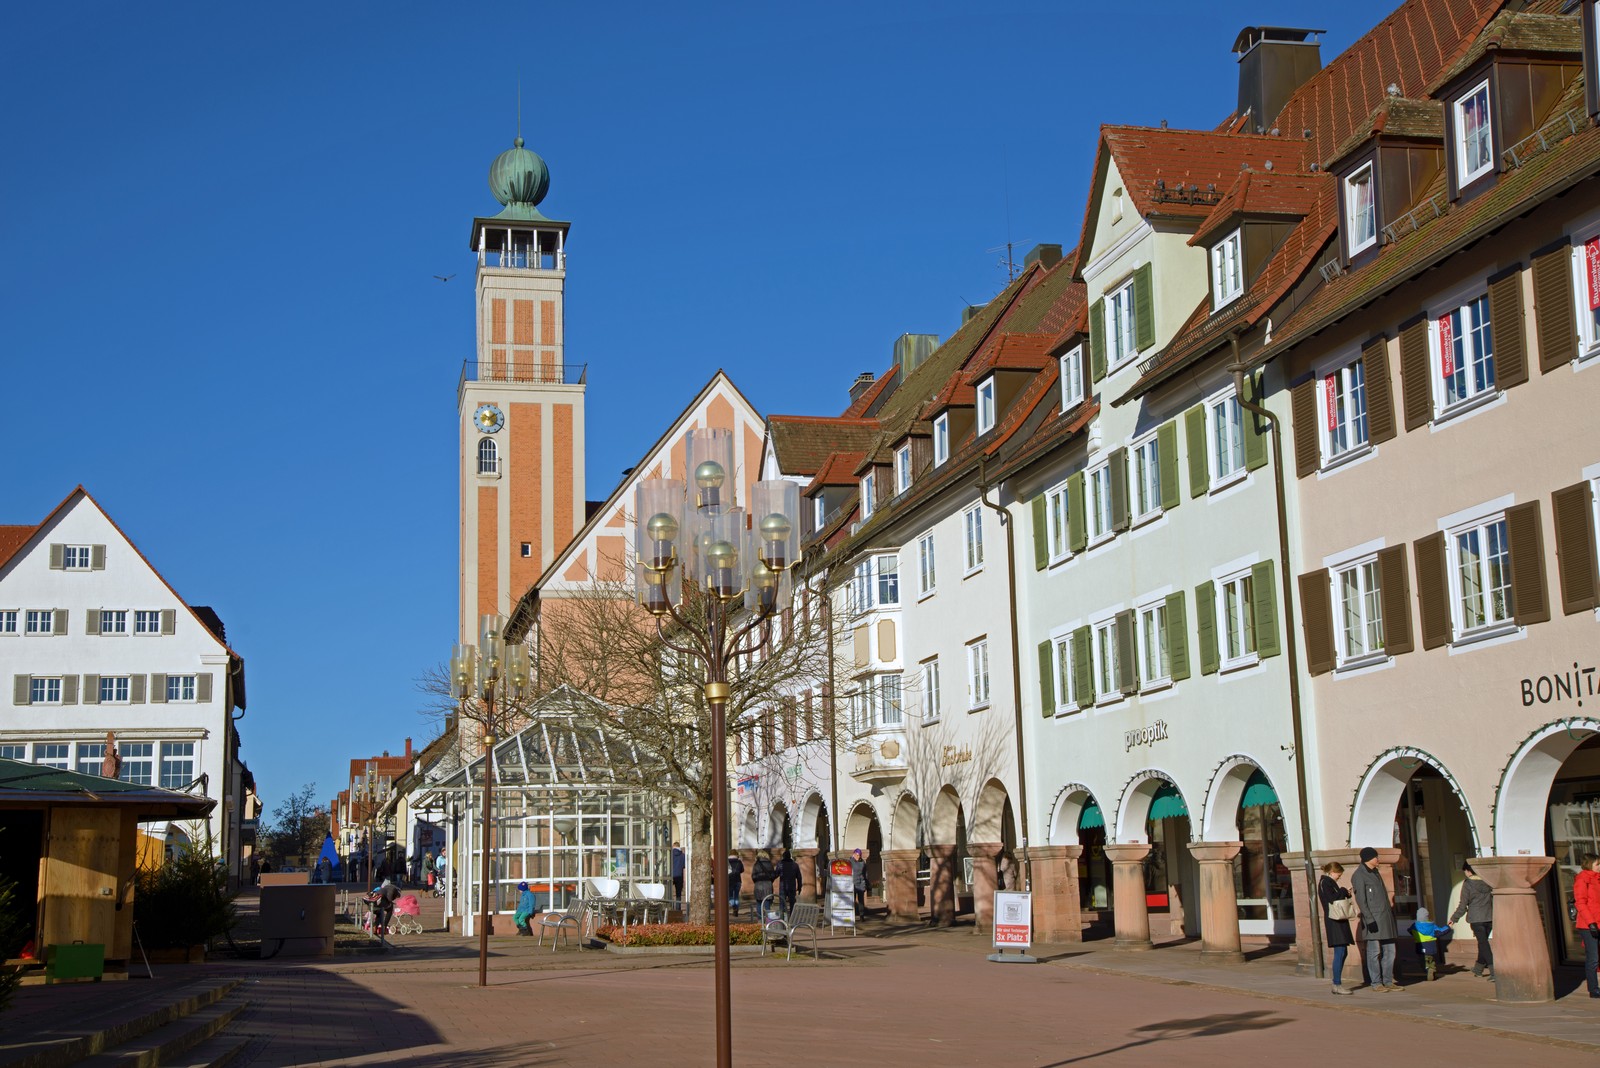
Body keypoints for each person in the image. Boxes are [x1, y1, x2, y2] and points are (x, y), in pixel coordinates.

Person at [1352, 846, 1400, 991]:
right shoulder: (1359, 875)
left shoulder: (1375, 872)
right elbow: (1361, 899)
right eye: (1375, 857)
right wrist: (1369, 919)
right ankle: (1376, 983)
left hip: (1385, 919)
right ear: (1368, 858)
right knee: (1374, 952)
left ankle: (1388, 981)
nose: (1378, 859)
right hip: (1373, 919)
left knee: (1390, 951)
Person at [1449, 860, 1494, 979]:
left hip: (1476, 918)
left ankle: (1493, 970)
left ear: (1468, 871)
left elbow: (1463, 905)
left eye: (1465, 871)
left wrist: (1454, 918)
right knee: (1482, 943)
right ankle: (1478, 969)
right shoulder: (1487, 882)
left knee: (1483, 944)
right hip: (1489, 917)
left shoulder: (1468, 884)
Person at [1318, 861, 1355, 995]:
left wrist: (1344, 892)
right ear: (1332, 872)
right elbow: (1332, 899)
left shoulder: (1328, 882)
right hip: (1334, 921)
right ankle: (1337, 983)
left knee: (1343, 951)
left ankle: (1337, 983)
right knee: (1340, 952)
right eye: (1339, 874)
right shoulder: (1325, 882)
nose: (1339, 876)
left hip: (1337, 920)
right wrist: (1344, 891)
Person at [1575, 852, 1600, 999]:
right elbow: (1581, 902)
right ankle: (1593, 989)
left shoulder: (1597, 879)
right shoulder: (1583, 880)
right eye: (1597, 864)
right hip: (1588, 924)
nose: (1599, 866)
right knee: (1593, 957)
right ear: (1589, 864)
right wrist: (1591, 923)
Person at [1408, 907, 1450, 981]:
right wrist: (1448, 927)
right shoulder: (1432, 926)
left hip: (1420, 946)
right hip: (1431, 946)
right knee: (1430, 959)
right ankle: (1431, 969)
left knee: (1422, 960)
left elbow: (1410, 931)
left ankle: (1426, 970)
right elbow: (1440, 932)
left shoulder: (1414, 926)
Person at [776, 849, 803, 918]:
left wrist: (770, 879)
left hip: (783, 887)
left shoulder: (780, 864)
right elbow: (799, 877)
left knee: (782, 904)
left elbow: (775, 874)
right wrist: (799, 887)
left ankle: (782, 919)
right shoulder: (795, 865)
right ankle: (792, 918)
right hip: (792, 887)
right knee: (792, 903)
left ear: (783, 856)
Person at [751, 851, 776, 918]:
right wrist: (770, 881)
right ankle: (768, 920)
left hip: (758, 885)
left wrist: (756, 881)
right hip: (768, 885)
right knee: (767, 903)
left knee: (759, 903)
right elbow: (773, 875)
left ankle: (760, 919)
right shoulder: (770, 864)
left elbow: (753, 876)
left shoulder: (756, 864)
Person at [851, 849, 869, 917]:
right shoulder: (850, 862)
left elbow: (865, 873)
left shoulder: (862, 862)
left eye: (860, 855)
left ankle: (862, 915)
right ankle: (852, 915)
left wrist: (865, 883)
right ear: (854, 854)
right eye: (857, 855)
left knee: (861, 900)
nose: (859, 857)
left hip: (861, 883)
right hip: (853, 883)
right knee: (852, 900)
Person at [671, 842, 686, 906]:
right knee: (678, 894)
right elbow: (684, 865)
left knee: (669, 892)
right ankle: (678, 909)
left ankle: (670, 907)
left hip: (670, 875)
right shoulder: (683, 855)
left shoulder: (670, 854)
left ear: (673, 846)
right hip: (679, 875)